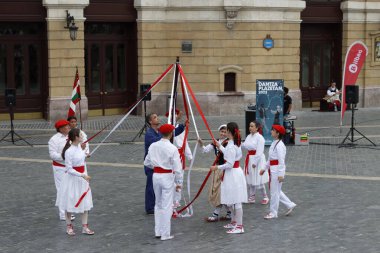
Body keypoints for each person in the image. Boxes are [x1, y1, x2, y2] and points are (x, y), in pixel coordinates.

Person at [144, 123, 183, 241]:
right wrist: (179, 183)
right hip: (167, 176)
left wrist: (157, 165)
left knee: (158, 203)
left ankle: (158, 231)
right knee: (166, 205)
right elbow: (178, 168)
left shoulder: (153, 146)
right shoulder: (172, 148)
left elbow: (147, 162)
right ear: (171, 134)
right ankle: (165, 233)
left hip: (156, 175)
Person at [144, 112, 185, 215]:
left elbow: (169, 134)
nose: (157, 118)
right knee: (150, 187)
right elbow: (161, 139)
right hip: (153, 166)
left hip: (158, 165)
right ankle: (150, 207)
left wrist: (182, 126)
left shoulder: (158, 132)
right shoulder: (149, 134)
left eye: (157, 116)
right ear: (150, 121)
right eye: (155, 117)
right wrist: (165, 136)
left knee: (156, 188)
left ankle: (159, 206)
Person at [211, 122, 247, 234]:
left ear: (230, 132)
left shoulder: (232, 146)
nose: (224, 132)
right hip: (233, 173)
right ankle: (234, 222)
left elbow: (230, 164)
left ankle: (239, 226)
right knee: (231, 200)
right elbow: (227, 152)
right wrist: (219, 145)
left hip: (233, 173)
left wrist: (216, 167)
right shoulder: (233, 143)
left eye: (226, 130)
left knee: (236, 200)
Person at [56, 128, 94, 236]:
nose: (82, 137)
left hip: (82, 180)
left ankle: (85, 227)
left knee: (85, 203)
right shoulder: (69, 151)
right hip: (72, 180)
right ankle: (69, 226)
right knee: (69, 203)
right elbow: (69, 169)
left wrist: (86, 155)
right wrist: (82, 175)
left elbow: (80, 158)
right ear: (76, 137)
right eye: (81, 135)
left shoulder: (79, 148)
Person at [259, 125, 296, 219]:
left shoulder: (280, 145)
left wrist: (280, 174)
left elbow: (281, 161)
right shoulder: (274, 143)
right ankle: (290, 204)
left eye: (273, 130)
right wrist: (264, 168)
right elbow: (270, 159)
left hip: (276, 171)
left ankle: (273, 212)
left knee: (274, 192)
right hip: (272, 169)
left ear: (278, 133)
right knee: (276, 191)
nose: (271, 131)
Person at [198, 124, 231, 222]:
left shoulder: (229, 143)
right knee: (219, 191)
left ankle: (216, 213)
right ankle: (229, 212)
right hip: (217, 169)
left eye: (225, 132)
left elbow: (228, 155)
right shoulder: (215, 142)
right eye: (222, 131)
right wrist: (201, 144)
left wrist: (219, 146)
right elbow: (204, 150)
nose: (223, 133)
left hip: (225, 169)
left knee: (220, 191)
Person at [165, 110, 193, 209]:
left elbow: (184, 141)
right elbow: (173, 134)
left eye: (175, 114)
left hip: (180, 155)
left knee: (179, 178)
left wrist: (189, 155)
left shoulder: (181, 127)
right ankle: (170, 198)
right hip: (170, 156)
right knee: (170, 177)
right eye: (171, 115)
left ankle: (177, 199)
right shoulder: (167, 129)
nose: (174, 116)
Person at [48, 119, 75, 221]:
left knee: (70, 189)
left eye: (68, 126)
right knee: (62, 189)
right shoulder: (53, 140)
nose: (68, 127)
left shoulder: (72, 136)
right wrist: (64, 156)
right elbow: (53, 155)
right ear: (60, 129)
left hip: (71, 167)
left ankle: (69, 211)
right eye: (66, 127)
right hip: (60, 167)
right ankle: (63, 213)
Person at [241, 121, 269, 205]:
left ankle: (265, 196)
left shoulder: (260, 138)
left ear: (257, 128)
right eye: (250, 126)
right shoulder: (249, 136)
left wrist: (255, 162)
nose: (250, 128)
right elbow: (245, 145)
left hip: (257, 160)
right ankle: (252, 196)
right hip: (249, 158)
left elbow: (260, 151)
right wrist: (238, 142)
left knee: (259, 179)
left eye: (252, 126)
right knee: (250, 177)